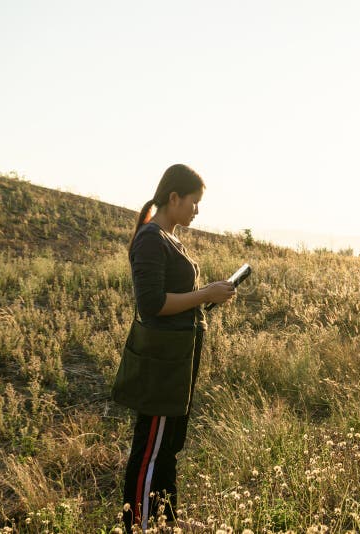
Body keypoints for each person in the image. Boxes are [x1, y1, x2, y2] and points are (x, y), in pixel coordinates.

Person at [121, 164, 236, 531]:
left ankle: (166, 523)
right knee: (150, 450)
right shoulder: (151, 238)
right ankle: (137, 526)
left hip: (179, 358)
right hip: (162, 362)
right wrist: (204, 294)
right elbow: (151, 303)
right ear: (174, 198)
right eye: (194, 202)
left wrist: (207, 297)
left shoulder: (170, 238)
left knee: (168, 445)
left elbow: (180, 297)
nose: (197, 210)